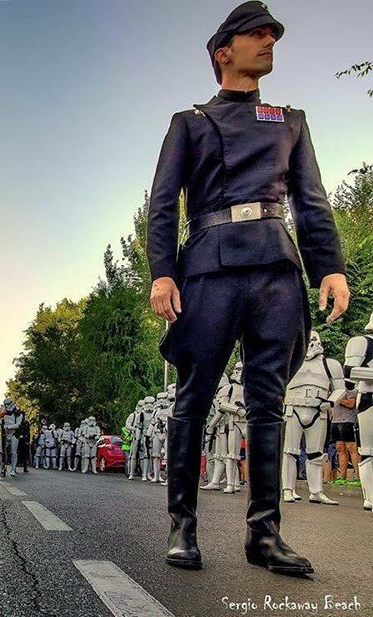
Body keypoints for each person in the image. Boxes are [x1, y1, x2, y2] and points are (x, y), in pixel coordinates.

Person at [147, 1, 348, 575]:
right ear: (223, 51)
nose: (269, 42)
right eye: (256, 34)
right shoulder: (189, 122)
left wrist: (329, 267)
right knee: (195, 395)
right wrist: (163, 272)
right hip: (209, 266)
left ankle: (265, 535)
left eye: (272, 35)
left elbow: (311, 202)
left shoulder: (290, 121)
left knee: (268, 401)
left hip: (276, 270)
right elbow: (163, 205)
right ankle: (182, 526)